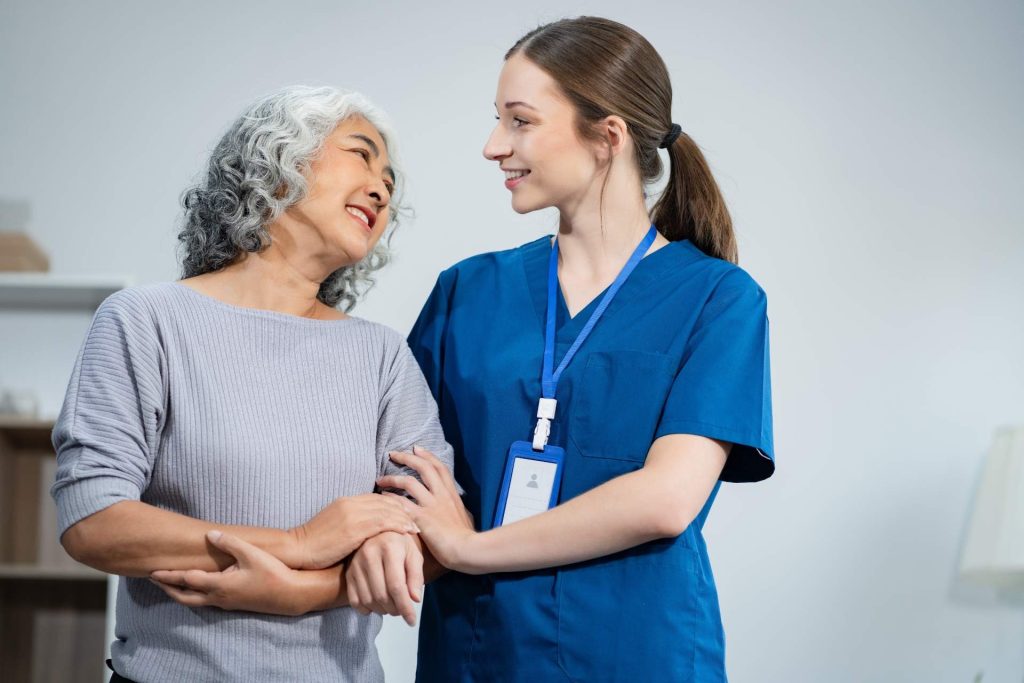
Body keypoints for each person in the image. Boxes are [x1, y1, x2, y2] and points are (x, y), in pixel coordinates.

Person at [373, 17, 775, 682]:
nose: (493, 146)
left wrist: (472, 547)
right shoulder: (466, 292)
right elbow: (395, 472)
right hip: (479, 653)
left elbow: (665, 498)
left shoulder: (719, 300)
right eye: (497, 120)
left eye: (520, 121)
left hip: (639, 655)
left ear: (607, 136)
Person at [51, 85, 455, 683]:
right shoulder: (147, 320)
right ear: (276, 161)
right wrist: (296, 543)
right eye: (361, 154)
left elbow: (434, 528)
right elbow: (94, 520)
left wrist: (305, 591)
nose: (382, 187)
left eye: (391, 180)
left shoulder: (381, 355)